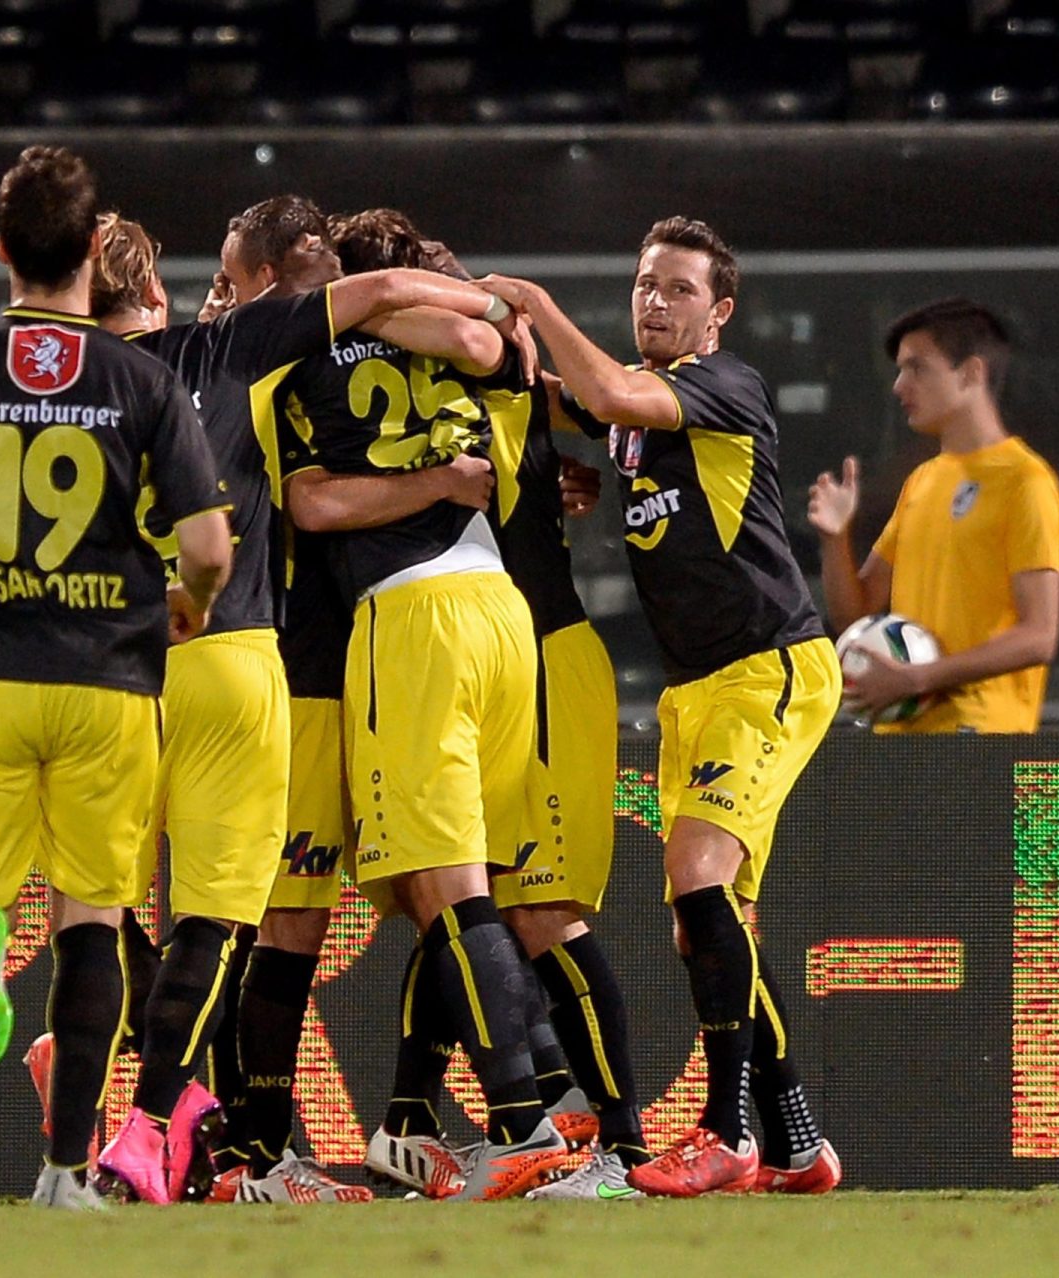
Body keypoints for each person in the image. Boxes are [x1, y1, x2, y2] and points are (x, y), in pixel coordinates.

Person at [92, 201, 524, 1205]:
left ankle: (208, 1132)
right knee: (250, 921)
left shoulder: (130, 371)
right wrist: (497, 302)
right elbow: (445, 336)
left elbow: (442, 335)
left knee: (168, 912)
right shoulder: (239, 350)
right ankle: (234, 1145)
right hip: (268, 666)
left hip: (156, 667)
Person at [482, 216, 843, 1197]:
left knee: (696, 877)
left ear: (718, 313)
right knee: (709, 923)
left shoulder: (723, 387)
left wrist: (534, 305)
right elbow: (568, 401)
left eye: (679, 289)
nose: (655, 300)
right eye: (646, 282)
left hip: (768, 667)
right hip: (699, 689)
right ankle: (798, 1143)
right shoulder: (646, 417)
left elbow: (599, 391)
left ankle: (725, 1132)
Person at [0, 146, 234, 1210]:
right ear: (98, 252)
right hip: (108, 682)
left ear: (0, 250)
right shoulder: (143, 380)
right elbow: (208, 546)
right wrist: (183, 605)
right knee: (94, 920)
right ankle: (63, 1171)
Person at [327, 209, 651, 1204]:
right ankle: (411, 1120)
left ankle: (613, 1146)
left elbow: (512, 354)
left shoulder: (479, 353)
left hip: (532, 649)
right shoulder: (462, 374)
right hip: (507, 635)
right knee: (462, 905)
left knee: (530, 910)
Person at [274, 220, 575, 1203]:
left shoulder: (298, 352)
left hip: (412, 622)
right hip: (500, 609)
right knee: (454, 889)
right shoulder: (442, 341)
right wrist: (479, 300)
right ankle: (448, 1117)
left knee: (446, 892)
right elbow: (491, 343)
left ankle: (528, 1127)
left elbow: (313, 506)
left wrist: (416, 485)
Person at [808, 298, 1059, 731]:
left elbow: (1039, 636)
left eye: (917, 368)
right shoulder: (922, 481)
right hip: (906, 740)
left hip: (980, 737)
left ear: (971, 373)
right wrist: (835, 539)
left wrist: (917, 679)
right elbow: (855, 618)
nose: (898, 386)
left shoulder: (1025, 481)